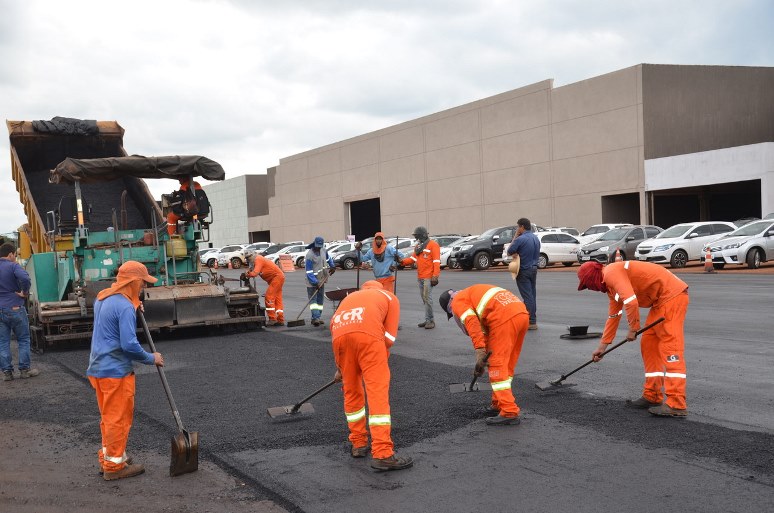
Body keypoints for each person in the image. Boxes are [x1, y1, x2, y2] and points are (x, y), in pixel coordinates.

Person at [577, 260, 690, 417]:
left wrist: (633, 329)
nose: (591, 288)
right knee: (649, 344)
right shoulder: (611, 289)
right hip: (660, 302)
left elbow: (631, 301)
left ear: (592, 277)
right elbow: (614, 316)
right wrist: (602, 348)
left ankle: (677, 403)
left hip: (672, 296)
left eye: (588, 285)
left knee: (671, 348)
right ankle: (652, 395)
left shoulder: (610, 272)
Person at [86, 261, 164, 480]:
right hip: (115, 372)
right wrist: (152, 358)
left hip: (99, 368)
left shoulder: (103, 298)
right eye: (142, 284)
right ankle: (113, 467)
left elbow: (118, 308)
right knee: (118, 419)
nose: (143, 288)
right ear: (134, 281)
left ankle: (111, 456)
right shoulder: (123, 307)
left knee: (108, 417)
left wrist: (134, 302)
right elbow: (129, 345)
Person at [330, 280, 412, 471]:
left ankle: (358, 443)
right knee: (377, 392)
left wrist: (341, 368)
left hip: (340, 341)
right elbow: (389, 339)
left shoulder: (350, 298)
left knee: (351, 391)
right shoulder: (389, 297)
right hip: (369, 340)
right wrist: (377, 358)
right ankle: (383, 453)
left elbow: (335, 327)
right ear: (380, 288)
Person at [439, 285, 529, 425]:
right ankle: (498, 403)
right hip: (521, 314)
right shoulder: (470, 294)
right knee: (507, 364)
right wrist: (482, 360)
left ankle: (509, 411)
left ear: (448, 306)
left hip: (503, 318)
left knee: (497, 366)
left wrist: (480, 351)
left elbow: (472, 323)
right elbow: (487, 333)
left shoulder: (457, 302)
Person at [0, 243, 39, 381]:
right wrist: (25, 292)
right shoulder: (13, 266)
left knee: (2, 341)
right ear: (10, 254)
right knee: (23, 339)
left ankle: (7, 373)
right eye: (15, 255)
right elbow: (25, 278)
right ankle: (24, 370)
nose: (15, 258)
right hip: (15, 306)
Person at [400, 226, 441, 329]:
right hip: (420, 277)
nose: (416, 239)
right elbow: (413, 259)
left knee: (427, 298)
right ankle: (427, 319)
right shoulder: (418, 247)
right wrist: (401, 261)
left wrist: (435, 276)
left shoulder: (433, 245)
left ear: (423, 235)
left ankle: (430, 321)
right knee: (424, 299)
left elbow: (436, 262)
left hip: (428, 277)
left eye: (417, 236)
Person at [506, 218, 540, 330]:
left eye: (518, 227)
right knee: (532, 295)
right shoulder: (535, 238)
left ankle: (531, 321)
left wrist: (516, 235)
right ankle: (532, 319)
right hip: (534, 268)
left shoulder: (521, 239)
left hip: (523, 269)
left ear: (522, 227)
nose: (517, 229)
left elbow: (509, 250)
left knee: (527, 296)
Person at [242, 250, 286, 326]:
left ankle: (272, 319)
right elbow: (251, 270)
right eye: (246, 258)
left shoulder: (258, 259)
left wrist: (247, 275)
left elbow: (255, 273)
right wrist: (247, 273)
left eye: (249, 257)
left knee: (269, 297)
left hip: (277, 278)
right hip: (276, 278)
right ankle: (280, 319)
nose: (248, 259)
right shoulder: (253, 262)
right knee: (277, 299)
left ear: (253, 255)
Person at [304, 236, 335, 327]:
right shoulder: (309, 255)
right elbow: (309, 271)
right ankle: (316, 317)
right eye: (317, 246)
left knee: (320, 300)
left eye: (319, 246)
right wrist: (315, 282)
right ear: (314, 244)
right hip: (311, 281)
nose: (318, 248)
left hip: (321, 279)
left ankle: (317, 317)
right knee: (313, 300)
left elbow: (328, 259)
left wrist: (332, 266)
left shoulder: (323, 251)